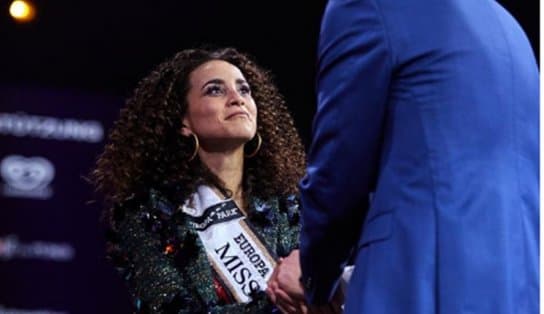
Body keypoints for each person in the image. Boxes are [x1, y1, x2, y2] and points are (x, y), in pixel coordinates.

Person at [269, 0, 539, 313]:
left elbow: (339, 166)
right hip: (518, 285)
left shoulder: (366, 5)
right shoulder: (506, 25)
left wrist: (313, 272)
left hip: (424, 278)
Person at [90, 47, 307, 313]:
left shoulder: (288, 207)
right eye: (215, 90)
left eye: (244, 90)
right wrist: (280, 308)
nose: (237, 99)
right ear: (183, 120)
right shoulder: (149, 213)